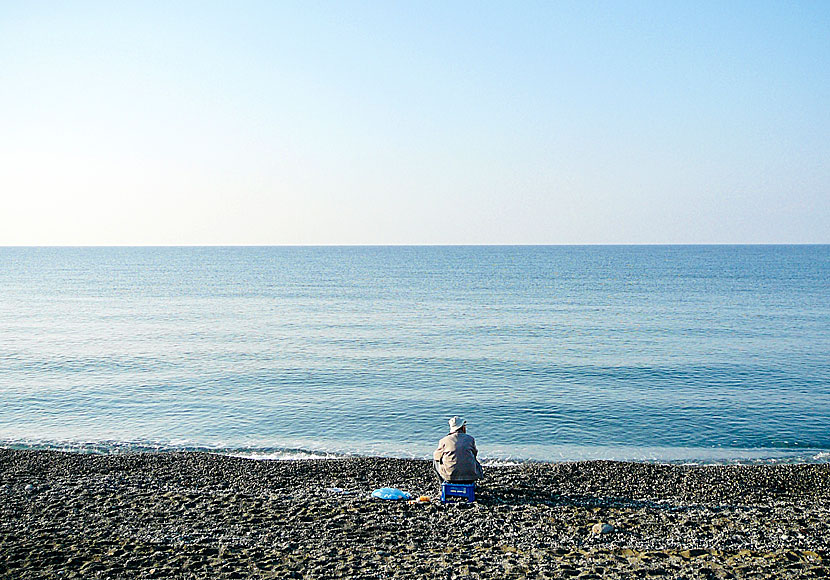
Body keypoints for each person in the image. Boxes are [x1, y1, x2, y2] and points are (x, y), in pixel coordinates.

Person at [433, 416, 483, 483]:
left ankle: (443, 483)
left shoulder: (444, 440)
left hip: (451, 476)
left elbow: (436, 456)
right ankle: (472, 482)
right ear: (462, 427)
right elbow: (475, 453)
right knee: (474, 460)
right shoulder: (470, 439)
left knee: (435, 461)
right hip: (470, 476)